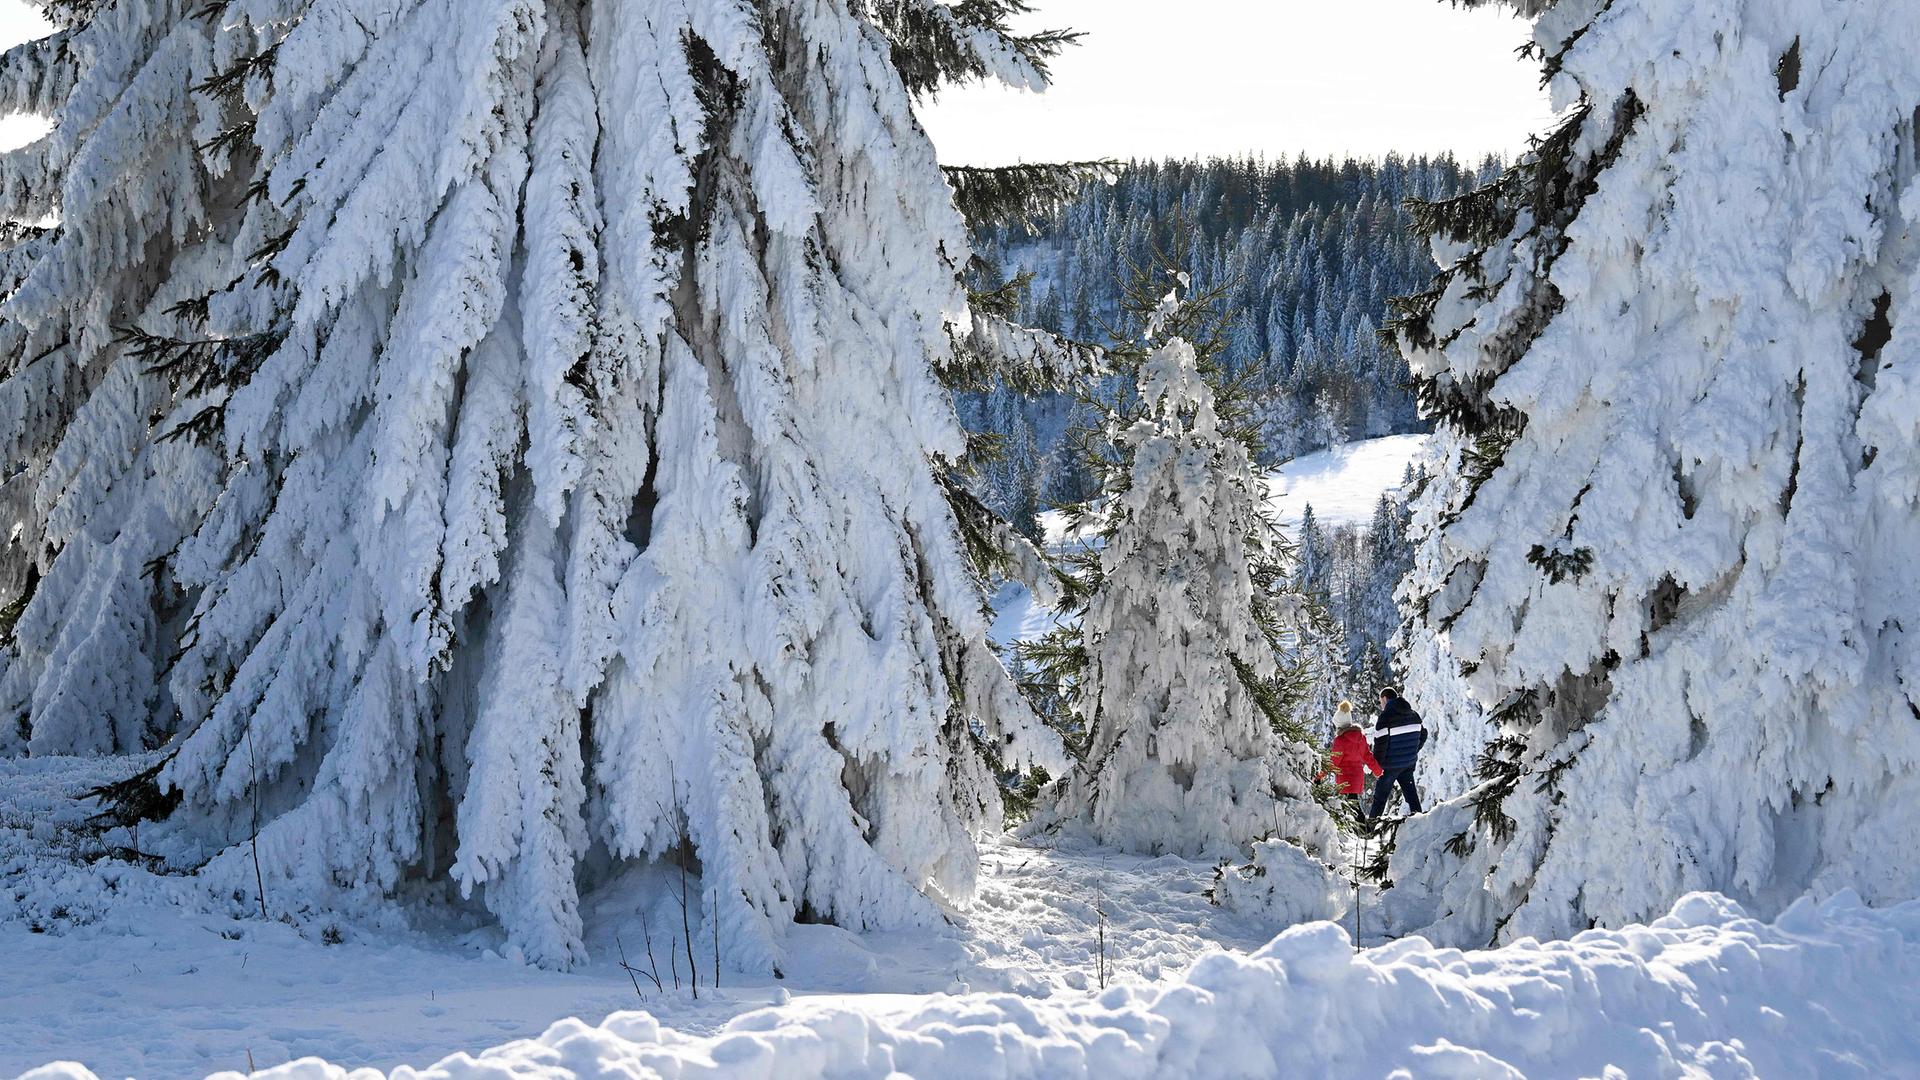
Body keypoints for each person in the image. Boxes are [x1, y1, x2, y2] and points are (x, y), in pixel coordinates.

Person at [1368, 686, 1425, 820]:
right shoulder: (1413, 714)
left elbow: (1380, 746)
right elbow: (1423, 734)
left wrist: (1377, 766)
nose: (1381, 705)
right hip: (1408, 764)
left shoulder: (1385, 718)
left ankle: (1369, 830)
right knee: (1412, 797)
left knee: (1380, 800)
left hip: (1390, 766)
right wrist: (1412, 751)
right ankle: (1422, 824)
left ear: (1385, 698)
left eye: (1380, 701)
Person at [1316, 701, 1383, 812]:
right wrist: (1378, 770)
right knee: (1353, 806)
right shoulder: (1360, 737)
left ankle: (1362, 829)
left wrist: (1319, 776)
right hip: (1357, 778)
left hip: (1344, 780)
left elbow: (1333, 762)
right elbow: (1367, 756)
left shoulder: (1340, 740)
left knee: (1350, 810)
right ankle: (1362, 828)